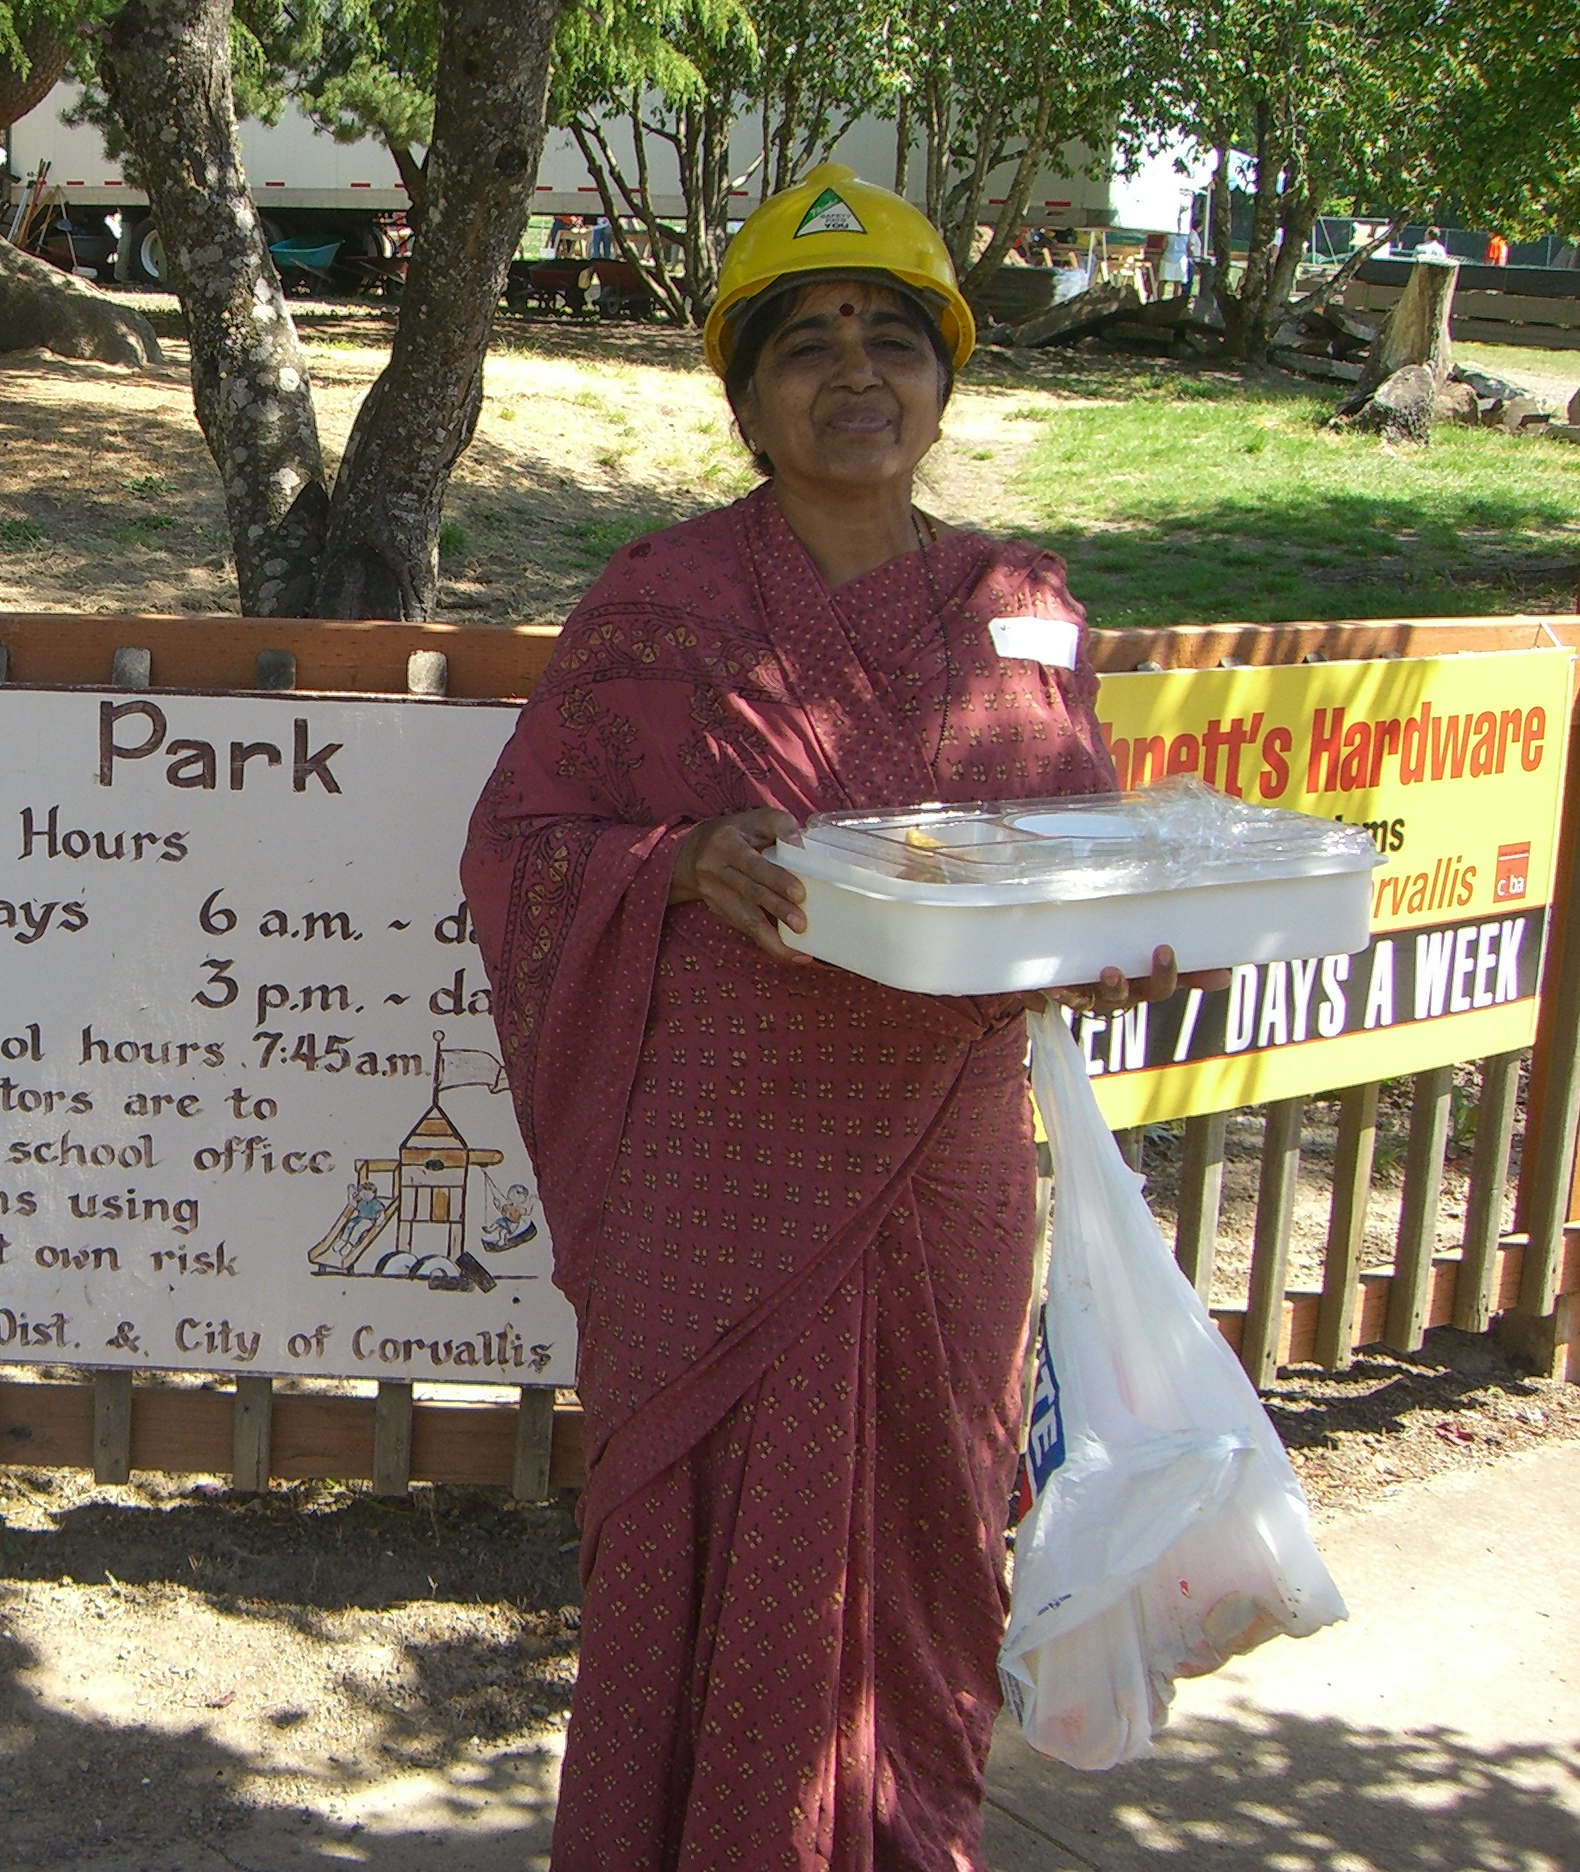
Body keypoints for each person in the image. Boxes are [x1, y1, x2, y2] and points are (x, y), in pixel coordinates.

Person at [460, 161, 1214, 1872]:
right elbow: (521, 842)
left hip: (945, 1165)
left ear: (945, 383)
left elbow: (1073, 857)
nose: (857, 372)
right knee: (712, 1530)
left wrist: (1123, 942)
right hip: (723, 1167)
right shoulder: (662, 606)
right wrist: (674, 859)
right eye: (807, 343)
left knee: (929, 1528)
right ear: (745, 400)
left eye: (895, 338)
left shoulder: (1023, 608)